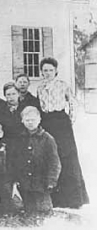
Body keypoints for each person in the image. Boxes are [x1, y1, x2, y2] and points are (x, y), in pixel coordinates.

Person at [36, 57, 89, 209]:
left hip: (61, 122)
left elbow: (73, 103)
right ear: (41, 72)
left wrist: (68, 122)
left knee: (67, 156)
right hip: (47, 121)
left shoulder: (63, 85)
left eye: (50, 70)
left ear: (56, 71)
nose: (47, 73)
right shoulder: (40, 88)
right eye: (45, 70)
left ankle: (73, 199)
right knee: (51, 155)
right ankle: (55, 198)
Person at [11, 106, 61, 216]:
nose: (30, 123)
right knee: (29, 212)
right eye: (27, 120)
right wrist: (15, 179)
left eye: (33, 120)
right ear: (22, 121)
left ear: (39, 120)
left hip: (42, 184)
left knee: (44, 212)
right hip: (25, 184)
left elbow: (54, 162)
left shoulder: (47, 139)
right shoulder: (20, 138)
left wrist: (51, 181)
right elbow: (14, 160)